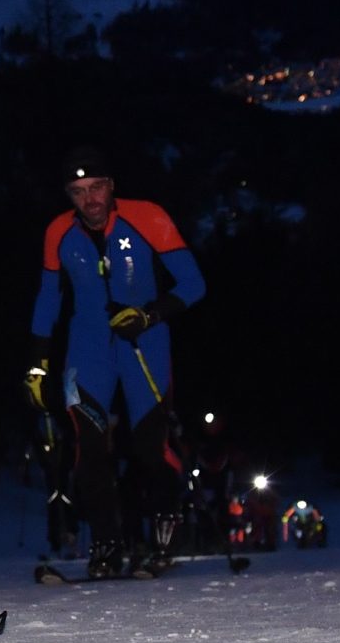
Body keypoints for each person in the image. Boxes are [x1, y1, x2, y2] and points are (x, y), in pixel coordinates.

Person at [23, 146, 205, 578]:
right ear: (69, 195)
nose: (90, 199)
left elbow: (194, 283)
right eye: (79, 191)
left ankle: (164, 534)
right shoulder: (58, 233)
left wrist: (150, 313)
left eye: (97, 187)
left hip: (144, 344)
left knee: (148, 448)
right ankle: (106, 546)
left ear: (112, 186)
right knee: (89, 449)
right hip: (87, 350)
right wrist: (37, 364)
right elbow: (48, 297)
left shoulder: (147, 217)